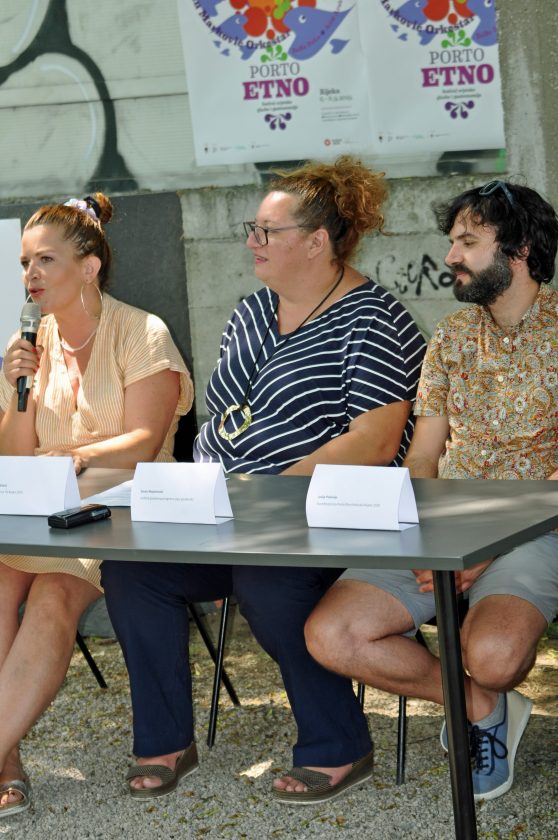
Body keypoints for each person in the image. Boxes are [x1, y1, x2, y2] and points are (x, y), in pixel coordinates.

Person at [102, 156, 426, 804]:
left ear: (317, 241)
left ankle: (338, 744)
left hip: (318, 521)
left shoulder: (375, 319)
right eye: (252, 229)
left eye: (267, 231)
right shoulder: (251, 311)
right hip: (226, 514)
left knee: (267, 581)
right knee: (132, 570)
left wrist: (271, 493)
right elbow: (226, 417)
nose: (252, 241)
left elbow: (376, 440)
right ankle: (165, 740)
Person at [305, 179, 558, 802]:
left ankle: (489, 687)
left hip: (538, 527)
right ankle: (479, 708)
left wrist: (481, 552)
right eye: (452, 242)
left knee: (494, 656)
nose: (451, 256)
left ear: (520, 250)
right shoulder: (449, 337)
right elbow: (422, 456)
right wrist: (428, 535)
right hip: (446, 527)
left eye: (468, 242)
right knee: (331, 635)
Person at [0, 193, 193, 819]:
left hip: (122, 515)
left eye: (45, 260)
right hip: (44, 511)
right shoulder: (28, 343)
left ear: (89, 267)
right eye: (24, 262)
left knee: (53, 593)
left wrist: (72, 456)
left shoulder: (142, 332)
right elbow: (14, 457)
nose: (30, 275)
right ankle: (7, 760)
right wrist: (20, 390)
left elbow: (143, 443)